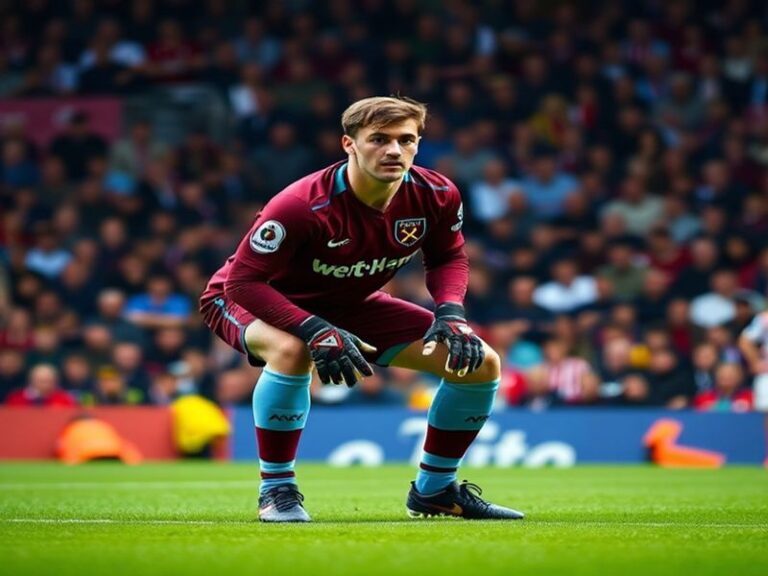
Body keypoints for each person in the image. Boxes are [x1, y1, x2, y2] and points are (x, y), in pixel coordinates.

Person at [200, 96, 523, 522]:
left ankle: (435, 492)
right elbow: (244, 282)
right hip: (249, 299)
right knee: (292, 351)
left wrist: (451, 313)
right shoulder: (299, 205)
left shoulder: (437, 194)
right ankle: (277, 488)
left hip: (348, 302)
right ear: (348, 144)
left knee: (480, 363)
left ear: (418, 144)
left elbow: (447, 258)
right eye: (379, 139)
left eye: (406, 140)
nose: (393, 150)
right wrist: (314, 329)